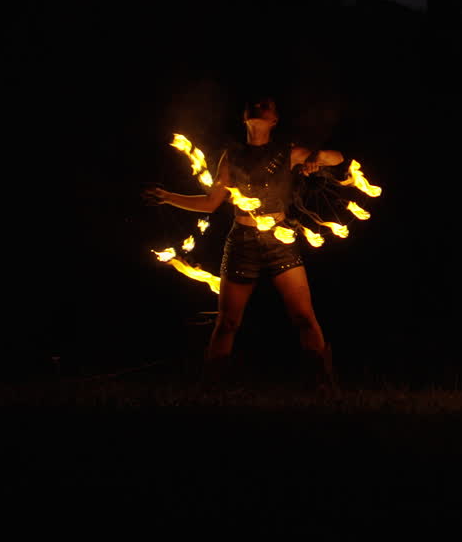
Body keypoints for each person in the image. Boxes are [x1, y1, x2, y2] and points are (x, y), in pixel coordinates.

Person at [145, 95, 347, 391]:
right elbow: (211, 202)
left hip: (280, 240)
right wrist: (168, 197)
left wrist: (317, 159)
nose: (259, 106)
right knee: (227, 323)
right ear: (244, 117)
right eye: (254, 104)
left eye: (267, 105)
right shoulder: (232, 156)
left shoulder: (287, 152)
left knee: (304, 316)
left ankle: (322, 386)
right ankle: (211, 389)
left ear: (275, 120)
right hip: (241, 242)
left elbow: (338, 157)